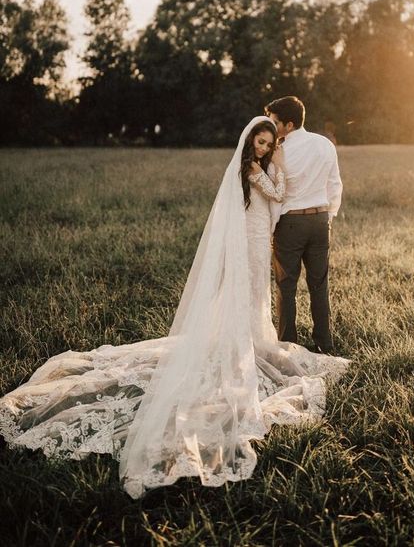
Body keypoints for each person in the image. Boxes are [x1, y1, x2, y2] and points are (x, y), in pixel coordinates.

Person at [0, 117, 349, 498]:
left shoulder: (259, 166)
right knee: (250, 292)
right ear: (252, 143)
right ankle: (244, 343)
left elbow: (274, 199)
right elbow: (278, 194)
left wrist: (276, 167)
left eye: (269, 144)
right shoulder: (252, 167)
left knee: (256, 294)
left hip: (259, 231)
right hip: (250, 237)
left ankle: (250, 339)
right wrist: (278, 165)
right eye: (262, 143)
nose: (266, 148)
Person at [265, 97, 343, 353]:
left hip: (291, 222)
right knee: (319, 285)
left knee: (286, 286)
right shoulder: (325, 144)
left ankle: (288, 345)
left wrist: (271, 227)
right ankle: (325, 343)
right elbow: (335, 184)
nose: (270, 126)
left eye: (275, 122)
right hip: (321, 221)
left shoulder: (279, 151)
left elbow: (278, 194)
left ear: (288, 124)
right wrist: (328, 215)